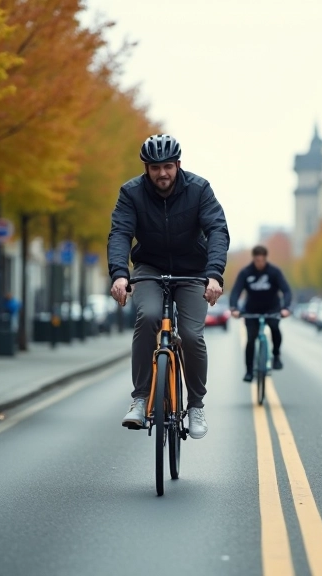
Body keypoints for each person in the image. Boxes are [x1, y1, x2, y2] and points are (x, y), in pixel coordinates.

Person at [108, 134, 229, 440]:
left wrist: (214, 275)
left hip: (193, 270)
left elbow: (216, 229)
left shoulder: (199, 189)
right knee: (148, 317)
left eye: (167, 167)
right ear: (146, 169)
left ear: (178, 165)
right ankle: (139, 399)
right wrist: (120, 274)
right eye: (154, 168)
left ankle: (196, 405)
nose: (162, 173)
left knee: (190, 334)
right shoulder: (131, 193)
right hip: (150, 268)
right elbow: (120, 232)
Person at [229, 245, 292, 382]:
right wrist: (234, 308)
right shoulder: (245, 272)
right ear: (254, 259)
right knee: (251, 339)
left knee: (275, 328)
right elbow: (236, 291)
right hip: (251, 310)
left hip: (272, 308)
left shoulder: (274, 272)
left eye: (262, 260)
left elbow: (286, 291)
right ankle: (249, 371)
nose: (259, 263)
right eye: (257, 260)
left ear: (265, 259)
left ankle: (276, 355)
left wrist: (286, 307)